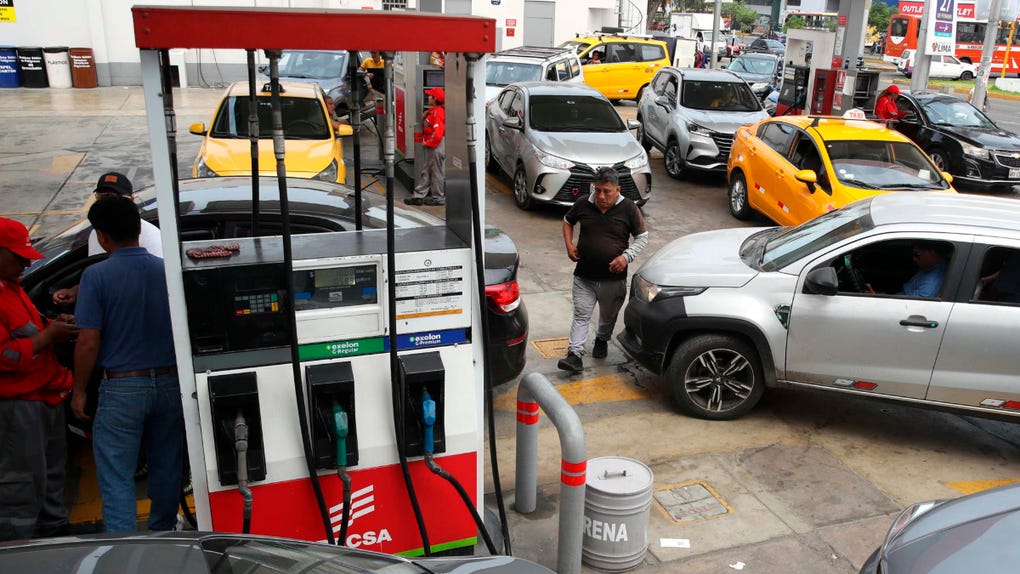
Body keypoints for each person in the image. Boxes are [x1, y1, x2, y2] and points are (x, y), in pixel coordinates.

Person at [71, 195, 182, 533]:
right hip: (169, 384)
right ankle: (163, 532)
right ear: (139, 229)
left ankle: (123, 547)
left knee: (116, 471)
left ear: (102, 236)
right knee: (167, 466)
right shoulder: (167, 271)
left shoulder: (96, 276)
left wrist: (78, 392)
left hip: (122, 388)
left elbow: (88, 342)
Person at [0, 217, 78, 541]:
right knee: (21, 482)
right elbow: (7, 356)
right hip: (18, 405)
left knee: (50, 476)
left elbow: (28, 326)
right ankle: (17, 549)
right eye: (18, 257)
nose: (24, 264)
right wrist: (48, 337)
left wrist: (51, 324)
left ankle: (53, 535)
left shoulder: (12, 288)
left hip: (45, 396)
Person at [558, 168, 649, 372]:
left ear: (617, 189)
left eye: (606, 191)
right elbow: (567, 221)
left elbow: (643, 237)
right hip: (584, 276)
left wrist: (626, 257)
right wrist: (569, 245)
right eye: (597, 190)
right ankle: (574, 355)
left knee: (608, 318)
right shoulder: (583, 203)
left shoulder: (629, 208)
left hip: (613, 280)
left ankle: (602, 339)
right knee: (581, 315)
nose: (600, 196)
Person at [52, 172, 162, 307]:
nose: (109, 203)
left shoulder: (153, 239)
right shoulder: (95, 234)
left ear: (132, 201)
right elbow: (102, 277)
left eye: (115, 197)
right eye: (102, 197)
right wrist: (76, 291)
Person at [405, 87, 446, 207]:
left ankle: (438, 198)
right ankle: (419, 196)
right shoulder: (433, 111)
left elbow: (438, 132)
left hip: (436, 146)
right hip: (434, 146)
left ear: (435, 99)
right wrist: (425, 117)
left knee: (435, 172)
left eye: (430, 96)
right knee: (427, 171)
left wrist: (428, 143)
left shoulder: (438, 112)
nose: (428, 97)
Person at [867, 242, 948, 298]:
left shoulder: (931, 284)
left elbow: (908, 306)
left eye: (917, 255)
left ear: (932, 253)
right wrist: (881, 296)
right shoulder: (930, 267)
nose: (914, 259)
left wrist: (879, 300)